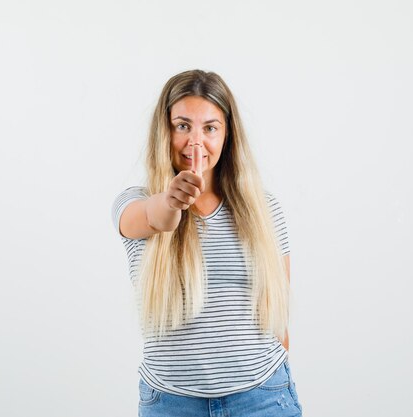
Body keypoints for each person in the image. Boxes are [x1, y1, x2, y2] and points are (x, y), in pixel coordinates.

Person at [112, 69, 302, 417]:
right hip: (171, 404)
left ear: (227, 135)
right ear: (164, 131)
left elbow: (279, 314)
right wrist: (173, 200)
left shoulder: (264, 209)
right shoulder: (135, 203)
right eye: (182, 126)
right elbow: (157, 217)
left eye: (209, 128)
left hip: (262, 398)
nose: (195, 142)